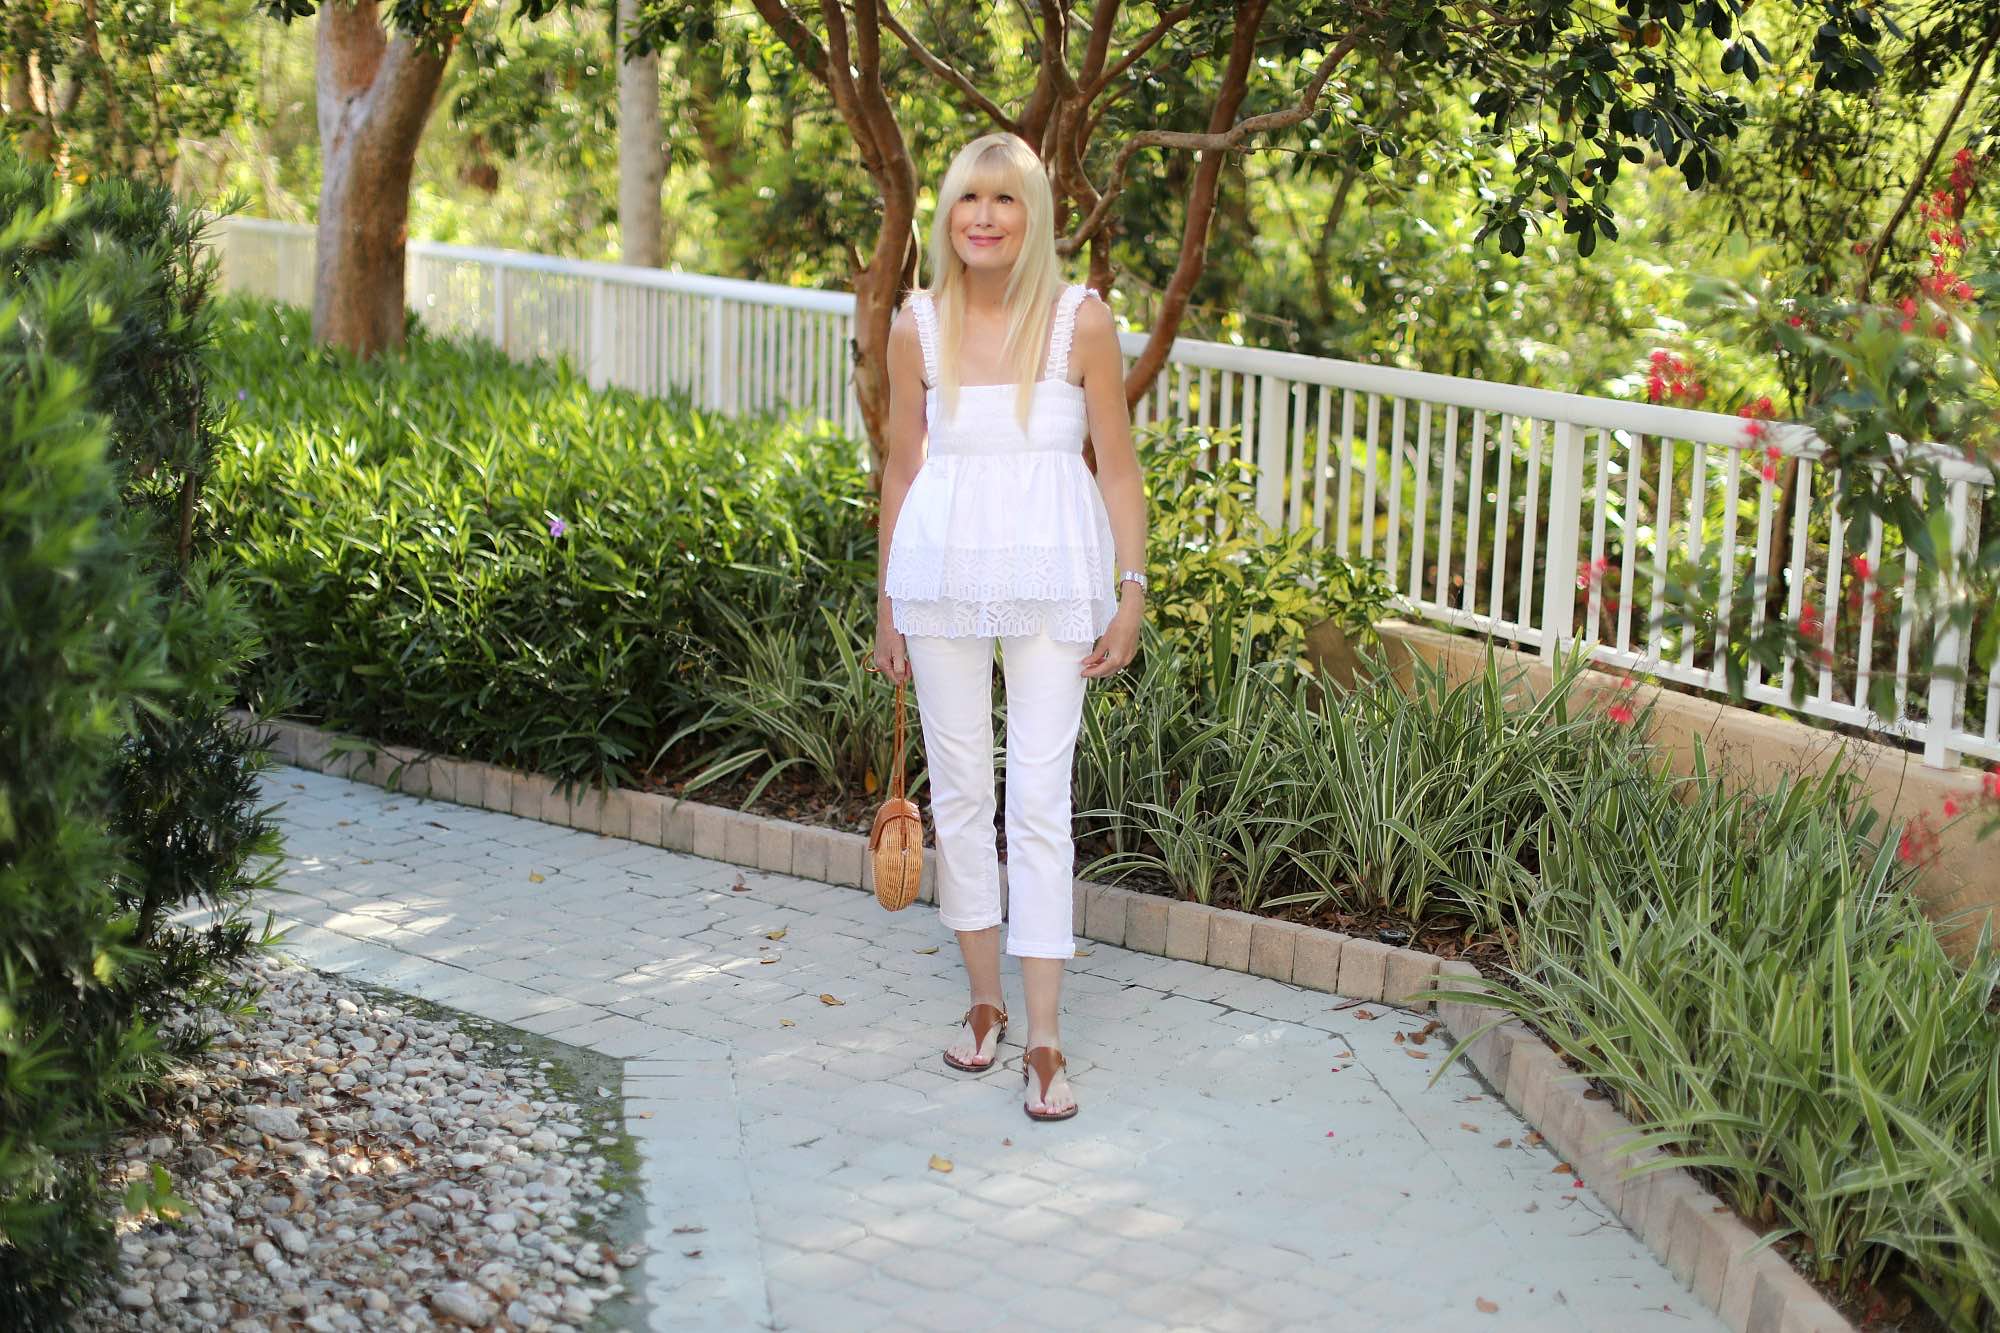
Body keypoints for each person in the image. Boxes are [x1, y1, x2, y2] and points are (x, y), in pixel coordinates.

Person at [867, 132, 1149, 1123]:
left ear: (1032, 215)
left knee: (1035, 794)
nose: (981, 217)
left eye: (1004, 199)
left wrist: (1131, 586)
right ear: (947, 218)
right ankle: (981, 1004)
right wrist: (885, 602)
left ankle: (1043, 1037)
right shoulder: (918, 325)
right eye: (964, 201)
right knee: (958, 789)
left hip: (1052, 580)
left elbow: (1115, 465)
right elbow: (901, 471)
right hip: (937, 578)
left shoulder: (1081, 322)